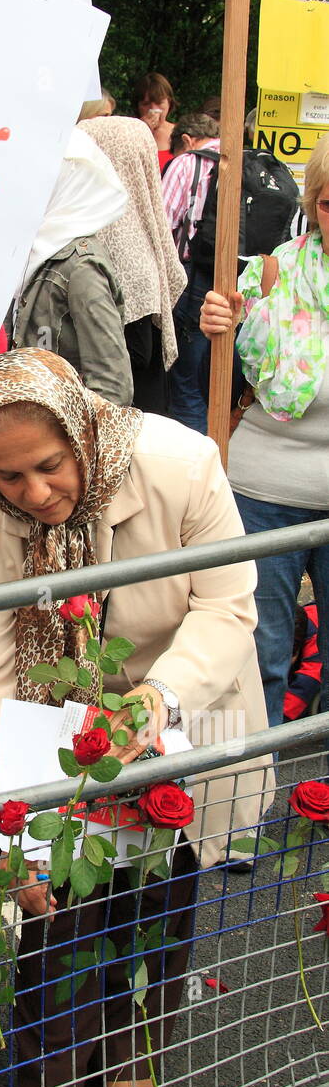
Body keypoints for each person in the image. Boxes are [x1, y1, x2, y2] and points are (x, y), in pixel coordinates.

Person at [0, 349, 274, 1087]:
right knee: (60, 917)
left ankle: (133, 1063)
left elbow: (227, 606)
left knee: (162, 899)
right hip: (51, 732)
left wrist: (158, 700)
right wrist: (15, 830)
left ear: (85, 432)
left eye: (51, 465)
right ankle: (50, 1086)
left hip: (183, 707)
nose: (35, 493)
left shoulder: (183, 465)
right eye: (9, 478)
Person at [199, 135, 329, 729]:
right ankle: (253, 805)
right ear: (313, 202)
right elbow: (216, 346)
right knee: (260, 660)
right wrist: (216, 321)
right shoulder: (272, 273)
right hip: (260, 497)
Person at [12, 126, 131, 404]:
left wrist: (68, 442)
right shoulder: (36, 248)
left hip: (55, 435)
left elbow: (112, 386)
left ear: (68, 182)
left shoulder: (81, 267)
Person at [79, 116, 187, 414]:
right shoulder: (141, 232)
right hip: (144, 411)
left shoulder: (110, 239)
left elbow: (135, 353)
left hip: (117, 415)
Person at [162, 114, 221, 432]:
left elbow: (162, 226)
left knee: (184, 381)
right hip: (238, 283)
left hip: (193, 281)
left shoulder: (187, 164)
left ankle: (193, 466)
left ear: (185, 140)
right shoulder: (243, 160)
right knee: (213, 380)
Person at [132, 72, 177, 171]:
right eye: (146, 104)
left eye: (159, 103)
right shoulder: (130, 134)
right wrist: (140, 130)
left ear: (169, 103)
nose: (153, 109)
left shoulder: (180, 133)